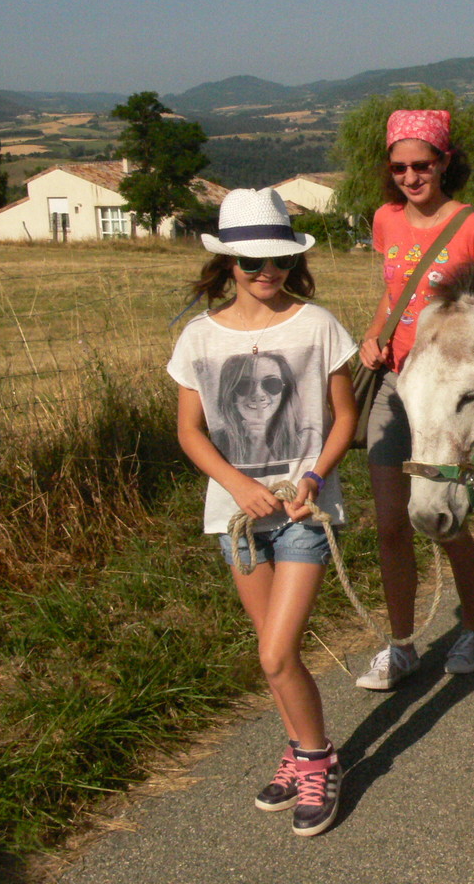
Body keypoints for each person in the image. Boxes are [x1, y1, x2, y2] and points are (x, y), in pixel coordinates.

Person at [168, 187, 357, 837]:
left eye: (277, 259)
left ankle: (317, 760)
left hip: (305, 515)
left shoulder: (318, 324)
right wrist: (237, 484)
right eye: (251, 263)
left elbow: (346, 416)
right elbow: (190, 432)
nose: (265, 272)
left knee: (277, 653)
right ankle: (303, 745)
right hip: (237, 517)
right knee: (271, 652)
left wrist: (313, 475)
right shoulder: (199, 338)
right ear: (227, 265)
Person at [355, 108, 474, 690]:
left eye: (423, 165)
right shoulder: (384, 220)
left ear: (445, 162)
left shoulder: (473, 226)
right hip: (399, 386)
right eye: (400, 168)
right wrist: (373, 337)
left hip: (450, 391)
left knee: (445, 520)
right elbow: (391, 299)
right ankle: (399, 645)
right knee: (393, 523)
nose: (412, 177)